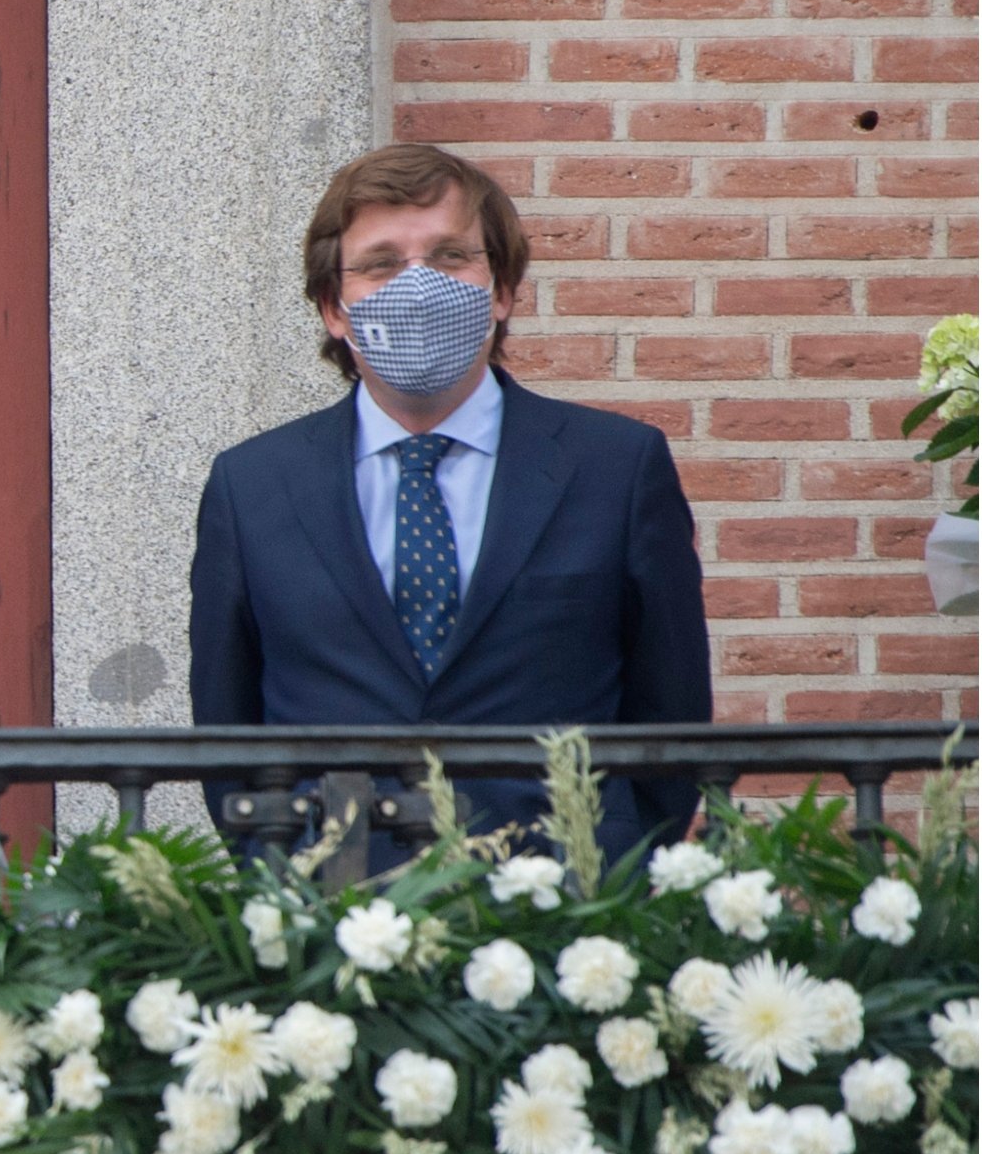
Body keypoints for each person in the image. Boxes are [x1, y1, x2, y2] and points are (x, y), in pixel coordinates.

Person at [188, 143, 710, 869]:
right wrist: (283, 873)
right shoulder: (252, 486)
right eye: (381, 264)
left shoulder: (615, 468)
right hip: (334, 911)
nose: (419, 284)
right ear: (334, 308)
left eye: (449, 256)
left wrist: (617, 872)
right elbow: (226, 726)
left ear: (500, 291)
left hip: (564, 907)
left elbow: (673, 712)